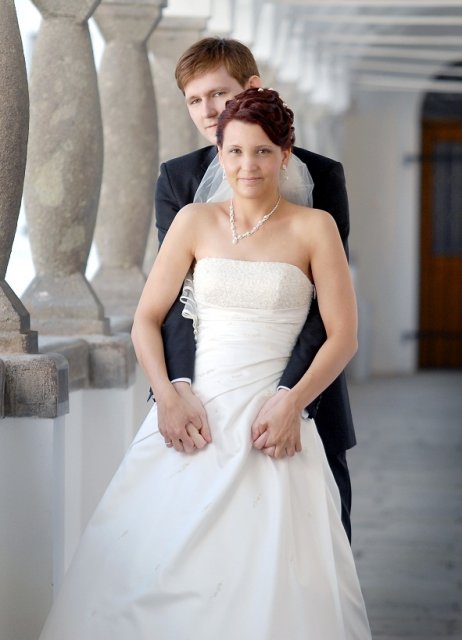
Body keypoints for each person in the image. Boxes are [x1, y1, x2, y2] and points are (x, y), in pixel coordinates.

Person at [38, 87, 370, 639]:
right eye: (235, 151)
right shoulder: (194, 221)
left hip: (271, 421)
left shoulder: (315, 228)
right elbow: (146, 319)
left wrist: (292, 402)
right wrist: (168, 396)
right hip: (193, 415)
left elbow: (343, 336)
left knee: (267, 582)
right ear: (220, 154)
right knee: (154, 569)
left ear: (285, 154)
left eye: (262, 151)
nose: (248, 165)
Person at [155, 37, 356, 541]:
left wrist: (289, 399)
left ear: (252, 87)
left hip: (304, 398)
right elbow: (175, 303)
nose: (208, 111)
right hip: (200, 403)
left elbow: (324, 310)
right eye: (194, 100)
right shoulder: (178, 181)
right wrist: (177, 390)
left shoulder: (322, 177)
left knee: (314, 544)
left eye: (218, 94)